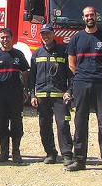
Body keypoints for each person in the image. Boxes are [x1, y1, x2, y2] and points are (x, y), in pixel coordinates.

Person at [66, 6, 102, 172]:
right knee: (80, 122)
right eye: (87, 15)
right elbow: (71, 64)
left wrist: (99, 75)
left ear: (96, 17)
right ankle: (79, 160)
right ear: (83, 18)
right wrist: (83, 76)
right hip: (81, 84)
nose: (90, 17)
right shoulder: (76, 39)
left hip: (101, 84)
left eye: (92, 15)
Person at [28, 24, 74, 165]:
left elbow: (71, 74)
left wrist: (69, 91)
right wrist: (32, 95)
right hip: (42, 96)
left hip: (59, 96)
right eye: (43, 34)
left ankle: (67, 154)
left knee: (63, 125)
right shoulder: (37, 53)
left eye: (48, 33)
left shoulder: (63, 51)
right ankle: (50, 153)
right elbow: (32, 76)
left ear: (53, 34)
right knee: (45, 126)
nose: (45, 36)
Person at [0, 28, 29, 163]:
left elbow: (25, 73)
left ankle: (16, 152)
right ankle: (4, 152)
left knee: (16, 122)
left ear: (11, 38)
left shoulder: (18, 54)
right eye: (2, 37)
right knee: (0, 122)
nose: (5, 40)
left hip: (15, 93)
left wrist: (26, 90)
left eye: (7, 37)